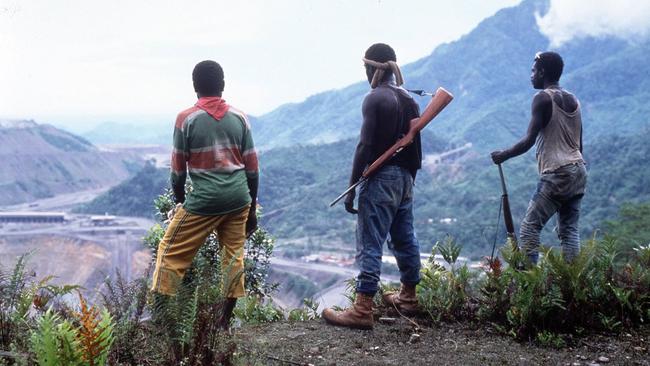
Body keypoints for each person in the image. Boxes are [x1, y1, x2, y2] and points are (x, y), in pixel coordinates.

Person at [150, 60, 259, 330]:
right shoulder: (240, 118)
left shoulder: (186, 119)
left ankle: (161, 319)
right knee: (233, 256)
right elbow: (253, 169)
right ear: (222, 85)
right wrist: (252, 209)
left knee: (169, 251)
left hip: (204, 202)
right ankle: (223, 322)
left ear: (195, 86)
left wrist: (178, 201)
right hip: (239, 200)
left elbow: (177, 170)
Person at [322, 43, 423, 329]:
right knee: (405, 237)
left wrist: (353, 186)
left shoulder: (375, 98)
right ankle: (408, 297)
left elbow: (365, 145)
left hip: (381, 178)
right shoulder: (408, 99)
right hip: (406, 178)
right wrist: (408, 180)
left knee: (370, 241)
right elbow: (415, 146)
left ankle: (363, 308)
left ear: (371, 68)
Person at [491, 51, 587, 265]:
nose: (531, 75)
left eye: (533, 71)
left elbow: (528, 140)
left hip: (557, 172)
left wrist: (502, 155)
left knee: (529, 228)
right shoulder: (574, 100)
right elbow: (579, 144)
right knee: (569, 231)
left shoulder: (542, 98)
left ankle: (529, 283)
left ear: (543, 72)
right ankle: (572, 283)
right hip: (579, 170)